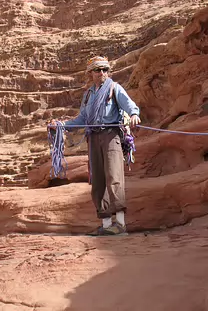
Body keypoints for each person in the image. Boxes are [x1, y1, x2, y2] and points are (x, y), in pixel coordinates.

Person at [51, 56, 141, 236]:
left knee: (114, 177)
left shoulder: (114, 88)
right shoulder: (88, 95)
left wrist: (134, 114)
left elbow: (129, 105)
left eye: (105, 70)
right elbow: (82, 119)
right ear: (90, 73)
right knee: (98, 181)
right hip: (93, 138)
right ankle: (107, 224)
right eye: (98, 70)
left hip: (110, 136)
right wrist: (62, 125)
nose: (102, 73)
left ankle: (121, 224)